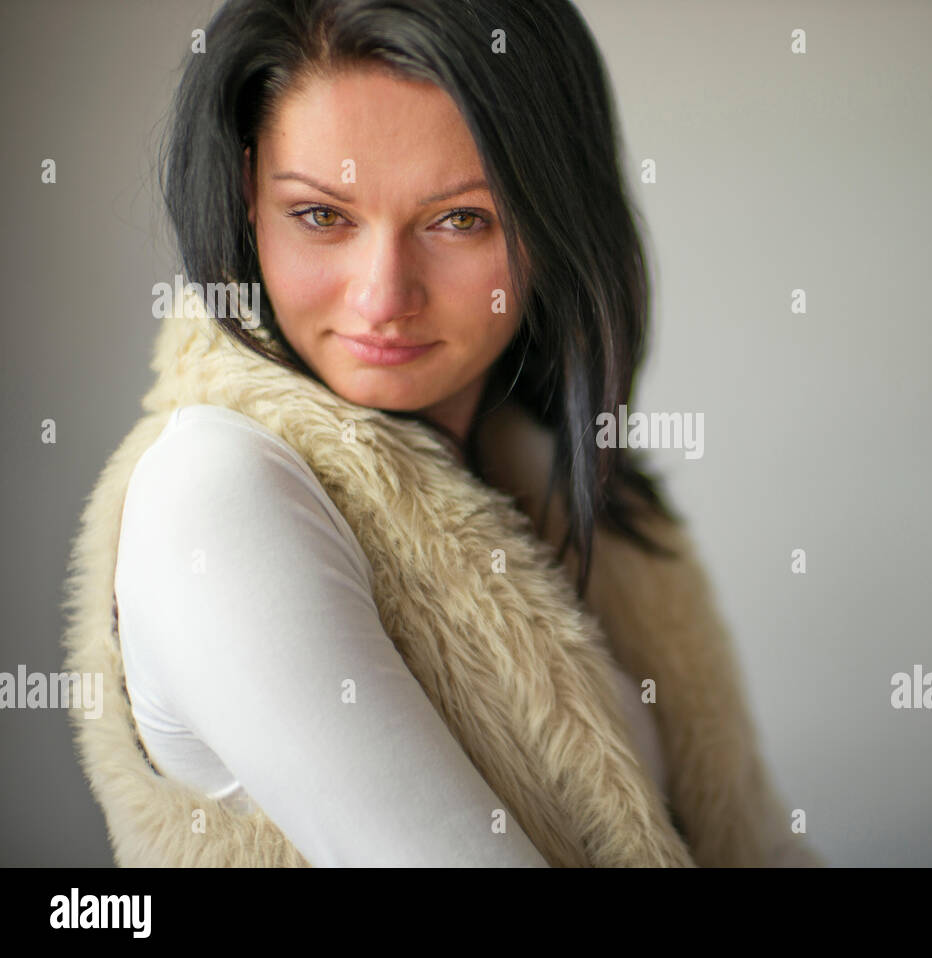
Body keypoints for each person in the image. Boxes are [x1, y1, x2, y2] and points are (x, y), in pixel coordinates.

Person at [62, 0, 822, 867]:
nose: (383, 296)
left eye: (460, 219)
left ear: (553, 222)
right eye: (321, 215)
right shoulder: (218, 491)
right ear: (245, 195)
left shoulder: (553, 484)